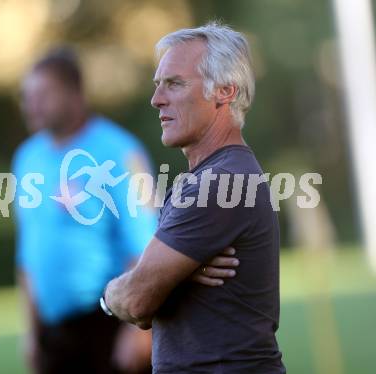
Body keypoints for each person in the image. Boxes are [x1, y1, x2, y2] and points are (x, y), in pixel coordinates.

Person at [13, 48, 239, 374]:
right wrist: (31, 332)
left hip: (107, 322)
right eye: (27, 96)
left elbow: (145, 240)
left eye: (44, 94)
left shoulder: (118, 151)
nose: (31, 104)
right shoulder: (27, 158)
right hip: (52, 333)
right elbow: (29, 253)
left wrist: (137, 328)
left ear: (75, 95)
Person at [104, 22, 286, 373]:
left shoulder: (218, 182)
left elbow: (137, 300)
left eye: (174, 84)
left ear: (225, 91)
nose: (156, 99)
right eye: (158, 85)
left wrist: (110, 296)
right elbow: (146, 288)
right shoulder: (217, 176)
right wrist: (166, 276)